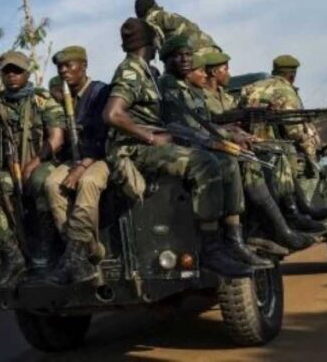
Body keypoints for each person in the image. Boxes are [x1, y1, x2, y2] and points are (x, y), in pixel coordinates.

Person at [102, 19, 252, 278]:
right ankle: (209, 249)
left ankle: (231, 240)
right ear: (152, 43)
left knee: (225, 162)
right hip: (133, 150)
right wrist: (149, 137)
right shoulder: (131, 71)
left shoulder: (147, 72)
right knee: (203, 162)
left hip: (149, 143)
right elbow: (113, 114)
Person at [161, 40, 317, 252]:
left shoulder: (197, 92)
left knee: (273, 153)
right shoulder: (175, 88)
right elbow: (196, 125)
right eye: (201, 71)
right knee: (244, 163)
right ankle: (265, 231)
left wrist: (243, 128)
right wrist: (230, 135)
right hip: (198, 149)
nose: (203, 75)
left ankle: (288, 215)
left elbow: (216, 121)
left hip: (210, 142)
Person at [0, 51, 66, 281]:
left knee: (39, 182)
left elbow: (57, 138)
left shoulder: (41, 99)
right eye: (7, 71)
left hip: (44, 162)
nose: (12, 75)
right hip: (11, 170)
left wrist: (34, 163)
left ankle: (48, 251)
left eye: (17, 70)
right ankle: (12, 254)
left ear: (27, 73)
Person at [43, 46, 111, 284]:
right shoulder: (62, 97)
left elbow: (104, 137)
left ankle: (74, 254)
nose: (63, 71)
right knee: (52, 183)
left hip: (100, 157)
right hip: (75, 157)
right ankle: (84, 250)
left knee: (88, 182)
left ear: (83, 66)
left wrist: (82, 167)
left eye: (68, 65)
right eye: (60, 67)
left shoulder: (100, 92)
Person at [241, 54, 327, 223]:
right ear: (292, 75)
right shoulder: (286, 91)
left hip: (250, 146)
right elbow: (294, 131)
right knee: (301, 162)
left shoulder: (250, 88)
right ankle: (298, 210)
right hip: (275, 149)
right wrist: (311, 152)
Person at [134, 0, 220, 56]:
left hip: (196, 52)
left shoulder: (152, 18)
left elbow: (159, 44)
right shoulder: (167, 15)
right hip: (211, 47)